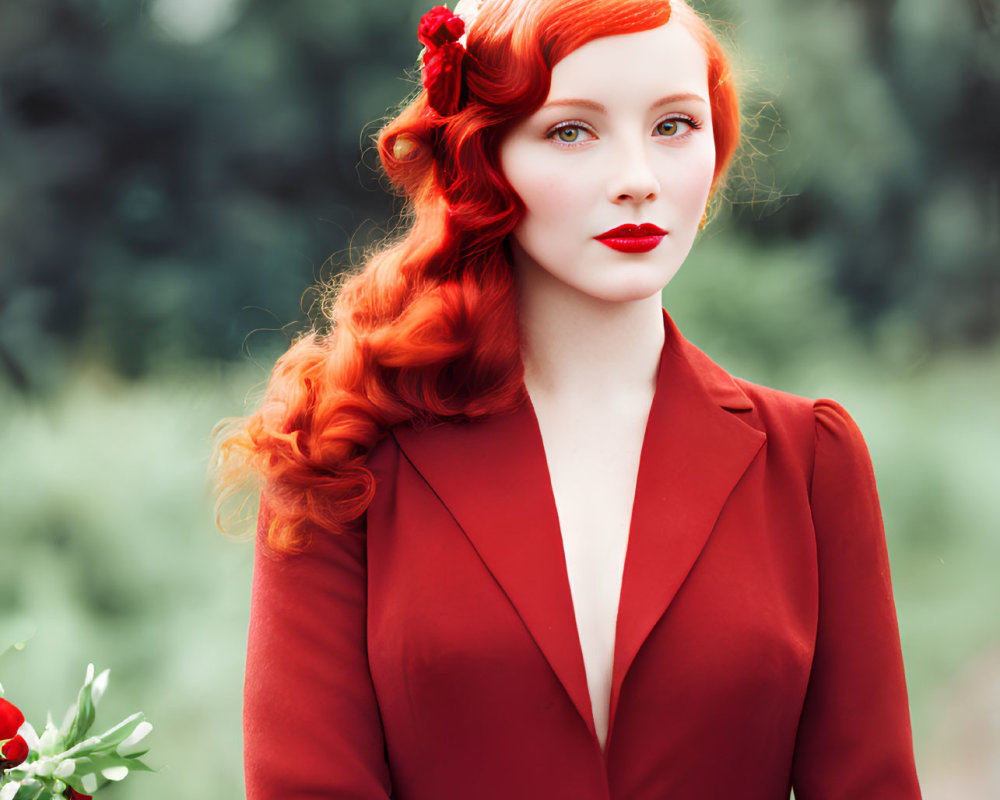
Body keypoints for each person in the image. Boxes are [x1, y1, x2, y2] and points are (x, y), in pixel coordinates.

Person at [217, 0, 923, 797]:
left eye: (674, 126)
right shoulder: (341, 455)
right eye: (570, 130)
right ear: (484, 160)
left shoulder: (811, 462)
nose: (636, 180)